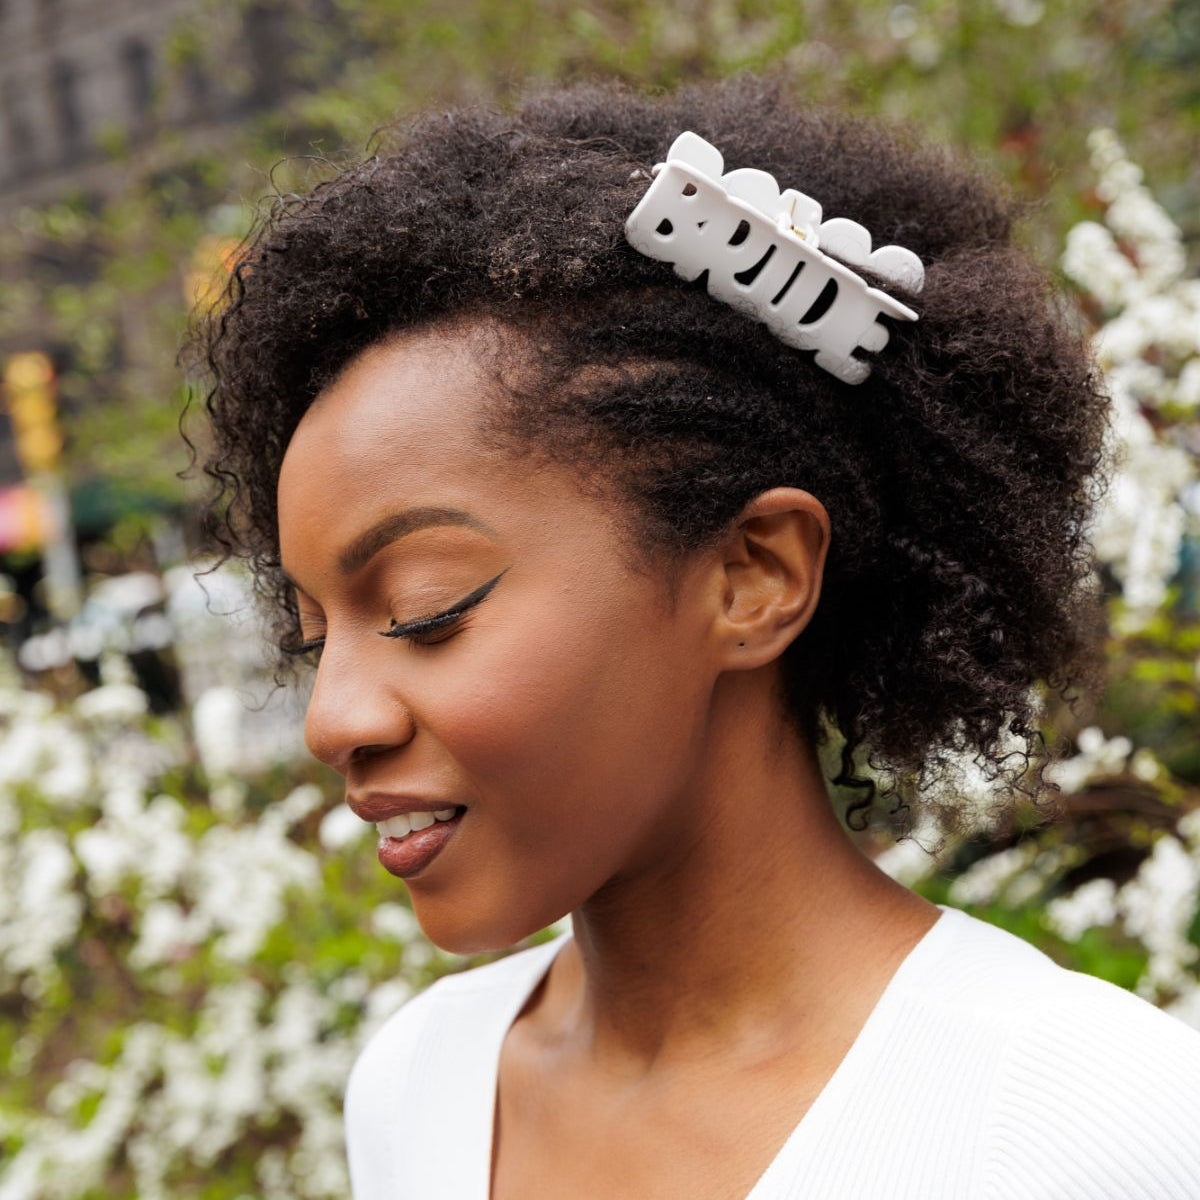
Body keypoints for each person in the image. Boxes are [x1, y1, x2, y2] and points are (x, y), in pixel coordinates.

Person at [187, 73, 1200, 1199]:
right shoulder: (422, 1088)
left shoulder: (1088, 1128)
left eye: (428, 610)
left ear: (752, 577)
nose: (335, 719)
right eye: (315, 636)